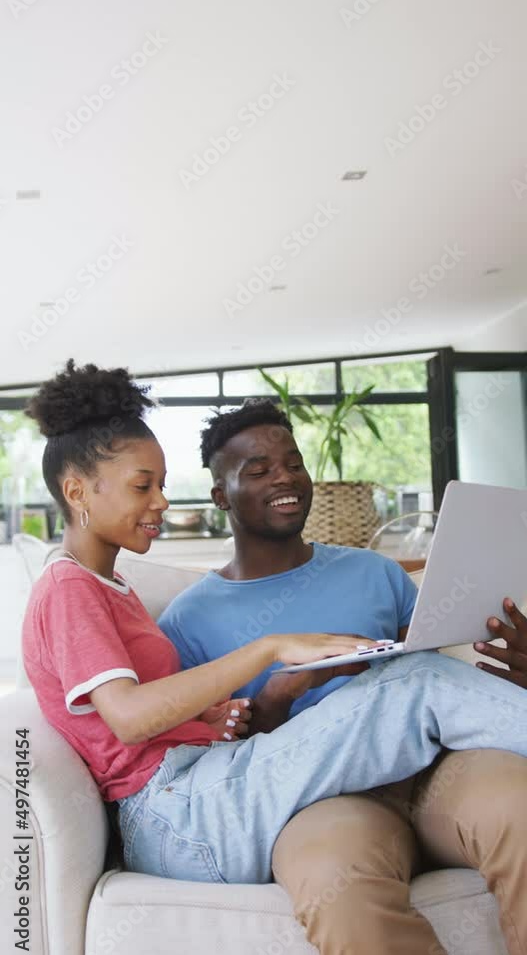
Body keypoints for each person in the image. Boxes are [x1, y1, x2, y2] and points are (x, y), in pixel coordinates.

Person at [21, 365, 527, 919]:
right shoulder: (68, 587)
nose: (162, 501)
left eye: (161, 485)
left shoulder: (109, 586)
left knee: (412, 677)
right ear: (77, 491)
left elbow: (135, 722)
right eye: (143, 486)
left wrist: (214, 719)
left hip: (200, 788)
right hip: (177, 813)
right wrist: (270, 648)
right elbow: (128, 718)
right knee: (418, 682)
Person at [159, 398, 527, 955]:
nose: (285, 478)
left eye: (294, 463)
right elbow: (218, 767)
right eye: (258, 470)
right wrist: (280, 693)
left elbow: (440, 675)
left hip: (437, 769)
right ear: (219, 496)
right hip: (322, 800)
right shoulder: (187, 622)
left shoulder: (372, 571)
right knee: (338, 884)